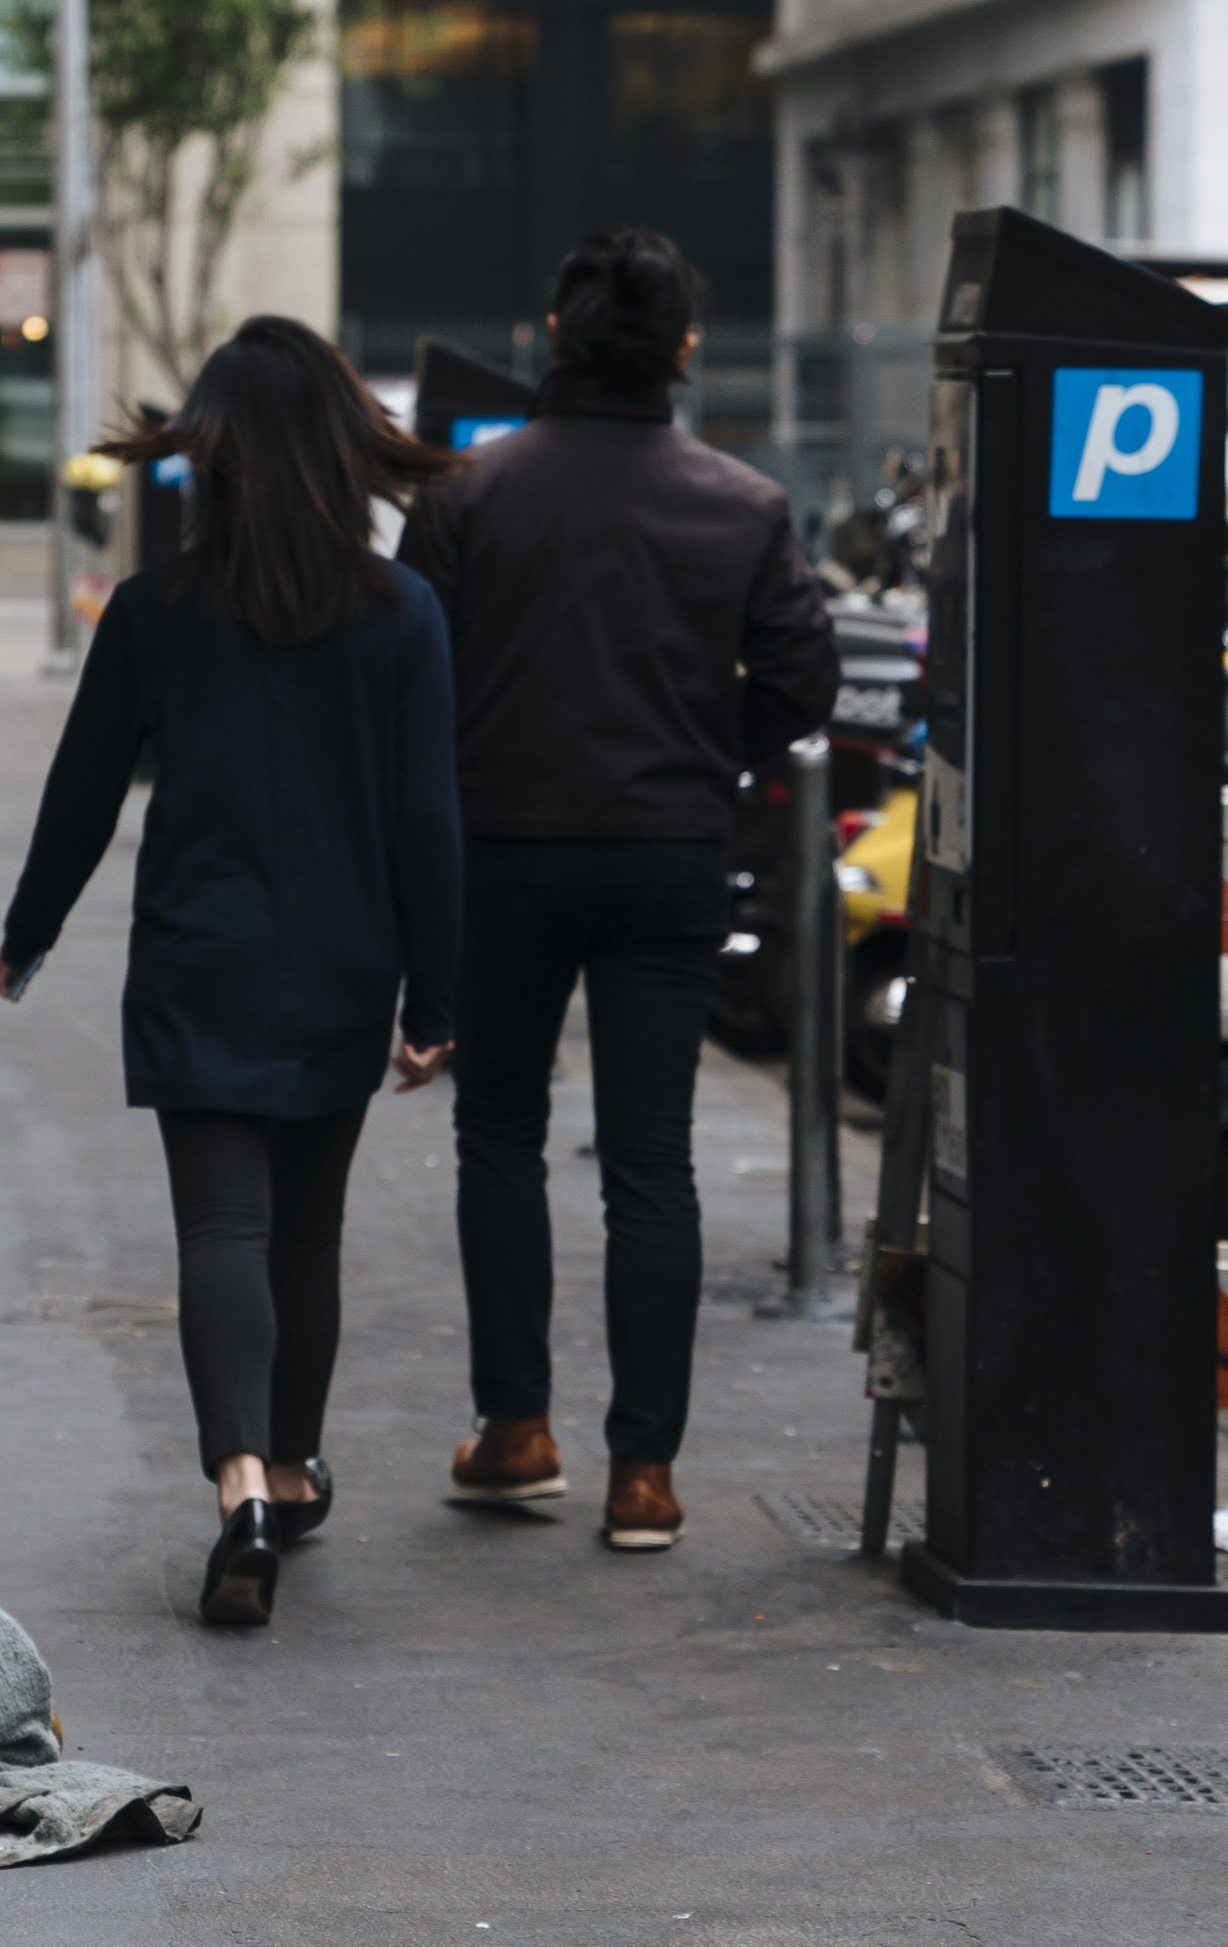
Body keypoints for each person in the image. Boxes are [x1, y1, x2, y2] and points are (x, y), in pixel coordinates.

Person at [0, 315, 464, 1628]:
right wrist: (438, 998)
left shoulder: (155, 613)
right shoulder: (405, 617)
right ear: (336, 452)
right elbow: (430, 820)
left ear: (215, 459)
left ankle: (240, 1486)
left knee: (219, 1227)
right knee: (306, 1232)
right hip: (346, 956)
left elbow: (84, 786)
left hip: (197, 952)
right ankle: (299, 1466)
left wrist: (30, 934)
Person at [399, 226, 841, 1552]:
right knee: (654, 1159)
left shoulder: (471, 493)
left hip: (506, 855)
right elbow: (805, 683)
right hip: (668, 857)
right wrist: (712, 765)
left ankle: (516, 1427)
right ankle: (643, 1472)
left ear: (553, 332)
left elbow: (408, 680)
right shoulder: (743, 502)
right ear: (686, 351)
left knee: (500, 1137)